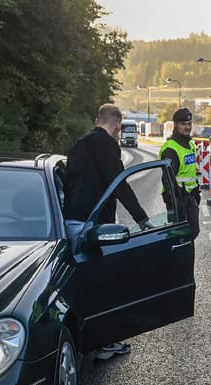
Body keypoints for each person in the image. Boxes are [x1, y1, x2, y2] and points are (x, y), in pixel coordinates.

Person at [64, 103, 150, 360]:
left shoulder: (78, 144)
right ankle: (103, 344)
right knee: (103, 283)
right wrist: (142, 219)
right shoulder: (107, 145)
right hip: (93, 224)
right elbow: (119, 185)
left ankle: (86, 337)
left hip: (70, 221)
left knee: (83, 282)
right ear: (118, 126)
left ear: (95, 119)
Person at [159, 107, 200, 238]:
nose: (187, 127)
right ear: (176, 125)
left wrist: (196, 191)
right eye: (183, 124)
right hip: (177, 199)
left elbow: (190, 173)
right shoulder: (171, 149)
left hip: (190, 197)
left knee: (192, 232)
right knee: (179, 236)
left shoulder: (190, 145)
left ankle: (186, 257)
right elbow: (167, 179)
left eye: (189, 124)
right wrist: (176, 200)